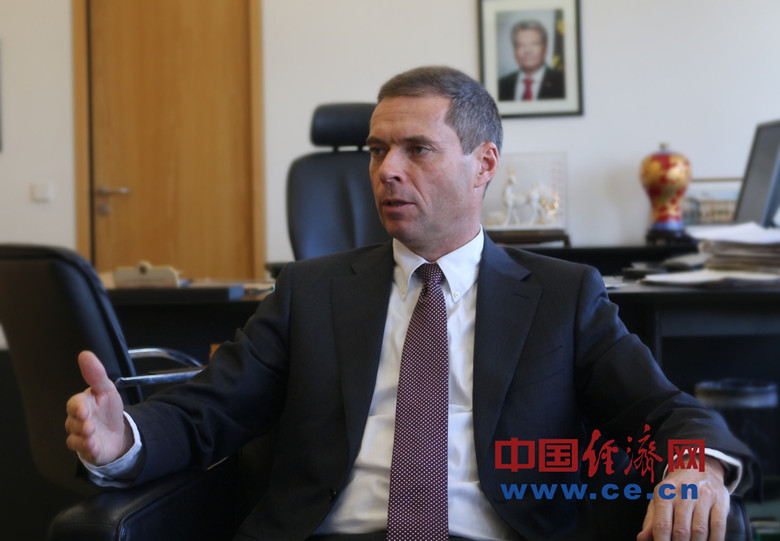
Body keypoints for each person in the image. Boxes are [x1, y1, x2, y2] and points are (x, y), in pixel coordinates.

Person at [66, 66, 757, 540]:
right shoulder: (311, 291)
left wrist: (696, 463)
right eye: (377, 150)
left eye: (417, 149)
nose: (386, 170)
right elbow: (208, 412)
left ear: (484, 165)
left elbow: (663, 410)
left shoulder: (562, 295)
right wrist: (123, 439)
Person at [498, 20, 565, 102]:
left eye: (534, 44)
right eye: (520, 45)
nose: (527, 51)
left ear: (545, 48)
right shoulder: (501, 85)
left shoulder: (563, 83)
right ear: (514, 50)